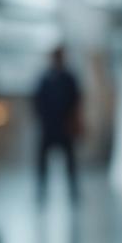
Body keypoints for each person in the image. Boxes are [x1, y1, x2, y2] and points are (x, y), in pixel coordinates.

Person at [32, 46, 81, 203]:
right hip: (49, 127)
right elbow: (37, 101)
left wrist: (72, 120)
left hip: (65, 127)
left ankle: (73, 191)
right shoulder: (44, 79)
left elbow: (76, 100)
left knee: (70, 162)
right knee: (42, 161)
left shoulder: (69, 78)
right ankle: (41, 191)